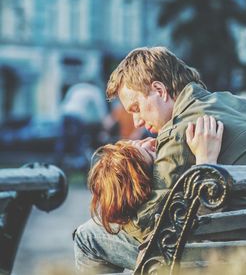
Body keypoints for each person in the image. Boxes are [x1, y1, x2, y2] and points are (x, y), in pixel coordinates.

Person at [75, 47, 246, 273]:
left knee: (88, 237)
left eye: (136, 108)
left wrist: (117, 211)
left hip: (236, 250)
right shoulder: (241, 104)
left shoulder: (183, 130)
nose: (137, 122)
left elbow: (150, 225)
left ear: (159, 90)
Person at [74, 116, 223, 273]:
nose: (151, 141)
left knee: (86, 236)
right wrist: (206, 162)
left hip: (184, 255)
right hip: (193, 258)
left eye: (138, 143)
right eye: (150, 152)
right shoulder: (164, 203)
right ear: (146, 187)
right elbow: (202, 228)